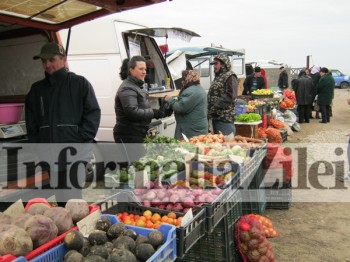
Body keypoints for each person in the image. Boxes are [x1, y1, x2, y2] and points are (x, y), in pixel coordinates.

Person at [25, 42, 101, 203]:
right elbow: (30, 121)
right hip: (49, 154)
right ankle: (65, 227)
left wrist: (81, 137)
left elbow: (93, 113)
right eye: (43, 61)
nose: (47, 64)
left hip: (75, 153)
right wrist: (36, 144)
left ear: (63, 59)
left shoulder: (79, 83)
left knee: (73, 199)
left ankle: (76, 227)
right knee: (60, 199)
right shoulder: (36, 89)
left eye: (51, 59)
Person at [113, 56, 165, 160]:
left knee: (142, 166)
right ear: (131, 70)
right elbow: (132, 112)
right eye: (141, 69)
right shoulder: (127, 88)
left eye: (145, 69)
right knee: (136, 167)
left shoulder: (137, 86)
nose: (144, 72)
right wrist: (153, 113)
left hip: (138, 132)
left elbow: (142, 107)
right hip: (128, 134)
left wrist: (162, 110)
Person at [164, 70, 208, 140]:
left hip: (191, 131)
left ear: (188, 79)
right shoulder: (197, 88)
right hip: (197, 128)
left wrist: (170, 100)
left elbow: (180, 108)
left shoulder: (191, 91)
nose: (182, 81)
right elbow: (184, 103)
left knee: (187, 149)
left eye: (183, 79)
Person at [207, 53, 238, 135]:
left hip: (225, 119)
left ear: (224, 64)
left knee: (226, 143)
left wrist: (215, 107)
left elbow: (231, 96)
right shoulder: (218, 77)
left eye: (216, 64)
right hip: (216, 117)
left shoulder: (230, 76)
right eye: (213, 64)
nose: (214, 66)